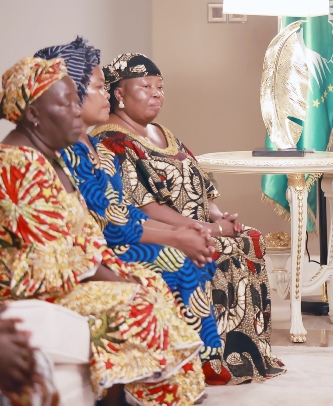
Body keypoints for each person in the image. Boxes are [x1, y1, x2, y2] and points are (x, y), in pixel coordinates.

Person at [0, 57, 206, 405]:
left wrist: (119, 272)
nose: (75, 111)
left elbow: (84, 234)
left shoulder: (50, 156)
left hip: (69, 275)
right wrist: (115, 278)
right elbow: (47, 260)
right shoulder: (19, 164)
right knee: (137, 301)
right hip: (36, 289)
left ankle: (156, 394)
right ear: (34, 114)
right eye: (65, 103)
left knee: (149, 283)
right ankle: (145, 397)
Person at [91, 53, 284, 384]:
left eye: (160, 86)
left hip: (200, 223)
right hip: (160, 231)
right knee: (221, 248)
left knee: (249, 238)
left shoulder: (161, 132)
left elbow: (198, 183)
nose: (156, 93)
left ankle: (248, 352)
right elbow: (146, 207)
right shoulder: (111, 141)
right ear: (119, 93)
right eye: (146, 86)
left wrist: (220, 215)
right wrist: (210, 229)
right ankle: (211, 359)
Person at [35, 37, 222, 361]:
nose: (107, 94)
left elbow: (125, 211)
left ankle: (195, 363)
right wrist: (176, 237)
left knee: (192, 256)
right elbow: (110, 225)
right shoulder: (68, 153)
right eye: (98, 87)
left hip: (114, 241)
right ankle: (176, 366)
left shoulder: (97, 149)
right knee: (178, 262)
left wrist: (184, 231)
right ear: (70, 94)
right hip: (95, 252)